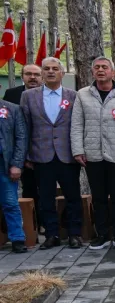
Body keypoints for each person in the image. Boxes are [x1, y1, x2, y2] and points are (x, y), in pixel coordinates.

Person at [71, 57, 115, 250]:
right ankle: (102, 234)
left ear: (113, 73)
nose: (101, 70)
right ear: (93, 72)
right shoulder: (82, 95)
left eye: (105, 67)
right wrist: (78, 150)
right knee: (99, 197)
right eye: (97, 68)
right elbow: (76, 125)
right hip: (92, 155)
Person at [20, 58, 82, 249]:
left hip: (68, 154)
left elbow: (79, 125)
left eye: (55, 69)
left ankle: (74, 234)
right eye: (46, 69)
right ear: (42, 73)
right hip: (41, 154)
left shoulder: (73, 96)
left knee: (73, 196)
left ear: (62, 73)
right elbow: (24, 127)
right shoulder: (29, 97)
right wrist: (26, 155)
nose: (51, 72)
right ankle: (51, 234)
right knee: (45, 198)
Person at [5, 63, 42, 219]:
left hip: (44, 150)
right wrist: (22, 155)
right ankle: (32, 223)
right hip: (20, 152)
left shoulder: (47, 94)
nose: (32, 77)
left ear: (42, 77)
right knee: (28, 189)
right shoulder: (12, 94)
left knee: (46, 190)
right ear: (22, 76)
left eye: (36, 74)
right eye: (28, 74)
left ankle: (45, 224)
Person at [0, 93, 28, 253]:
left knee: (10, 203)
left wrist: (17, 164)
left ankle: (17, 239)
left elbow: (21, 138)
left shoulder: (12, 109)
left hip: (4, 164)